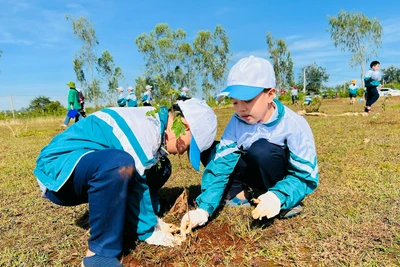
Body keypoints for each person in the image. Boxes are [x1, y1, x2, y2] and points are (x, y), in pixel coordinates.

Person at [34, 98, 217, 267]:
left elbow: (144, 177)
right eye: (187, 147)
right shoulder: (145, 128)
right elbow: (137, 182)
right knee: (119, 164)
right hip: (60, 170)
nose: (180, 153)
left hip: (89, 166)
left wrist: (154, 219)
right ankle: (98, 255)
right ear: (184, 126)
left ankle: (127, 218)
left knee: (161, 167)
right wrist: (150, 230)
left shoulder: (156, 124)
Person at [180, 56, 319, 233]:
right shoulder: (237, 121)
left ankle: (279, 201)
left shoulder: (294, 125)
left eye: (248, 100)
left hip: (276, 175)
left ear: (270, 94)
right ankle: (241, 194)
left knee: (262, 149)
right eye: (235, 102)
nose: (240, 109)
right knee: (211, 151)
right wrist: (203, 209)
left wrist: (277, 196)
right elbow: (221, 164)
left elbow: (306, 175)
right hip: (252, 170)